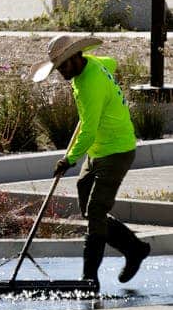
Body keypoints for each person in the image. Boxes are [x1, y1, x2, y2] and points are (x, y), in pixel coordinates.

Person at [31, 35, 150, 289]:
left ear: (77, 57)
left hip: (116, 150)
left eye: (64, 65)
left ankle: (89, 277)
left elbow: (89, 130)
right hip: (97, 151)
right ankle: (135, 249)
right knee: (87, 204)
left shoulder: (89, 85)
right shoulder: (95, 64)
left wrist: (68, 159)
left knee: (96, 210)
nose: (62, 72)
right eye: (58, 67)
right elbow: (113, 62)